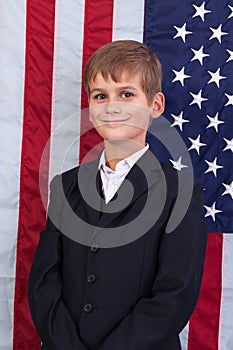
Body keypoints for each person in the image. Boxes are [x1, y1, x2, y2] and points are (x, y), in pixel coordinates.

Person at [28, 40, 207, 350]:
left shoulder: (181, 192)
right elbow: (44, 284)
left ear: (155, 105)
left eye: (126, 94)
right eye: (100, 96)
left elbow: (174, 294)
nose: (112, 106)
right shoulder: (65, 187)